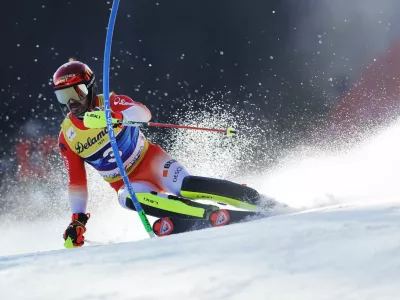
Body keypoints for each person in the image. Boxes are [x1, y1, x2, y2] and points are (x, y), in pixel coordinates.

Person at [54, 61, 265, 247]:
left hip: (152, 161)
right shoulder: (68, 137)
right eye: (63, 96)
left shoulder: (109, 102)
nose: (71, 102)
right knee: (127, 198)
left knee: (185, 186)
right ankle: (206, 214)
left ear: (90, 88)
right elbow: (77, 181)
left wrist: (115, 116)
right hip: (128, 183)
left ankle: (253, 199)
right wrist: (78, 220)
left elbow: (143, 113)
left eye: (76, 92)